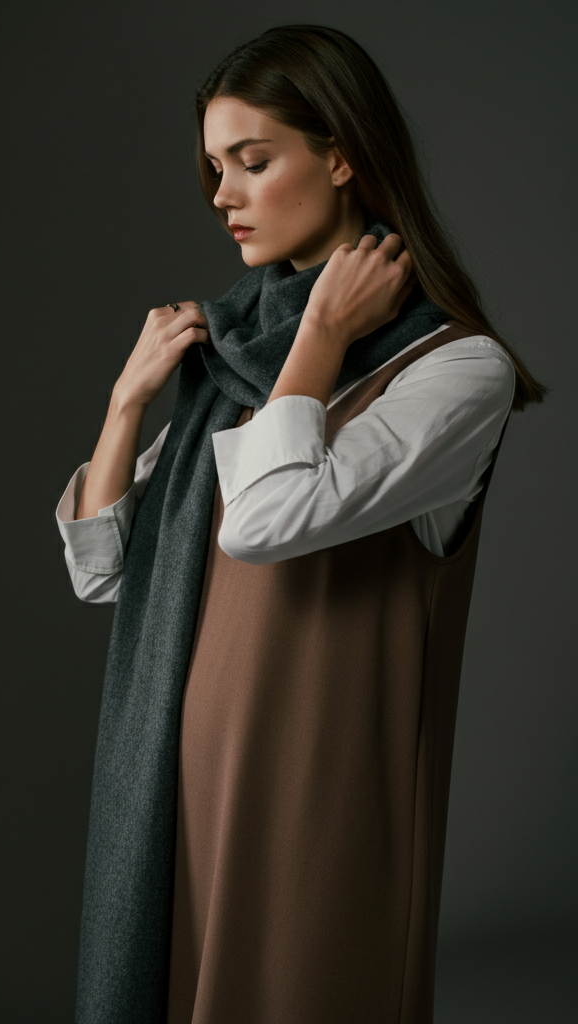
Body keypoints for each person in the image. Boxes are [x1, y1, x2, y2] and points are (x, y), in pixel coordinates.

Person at [55, 25, 544, 1024]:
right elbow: (103, 571)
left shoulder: (456, 369)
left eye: (252, 160)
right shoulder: (232, 357)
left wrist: (321, 333)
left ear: (340, 156)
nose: (221, 195)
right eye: (213, 168)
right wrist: (124, 403)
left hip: (315, 797)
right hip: (178, 784)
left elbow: (265, 521)